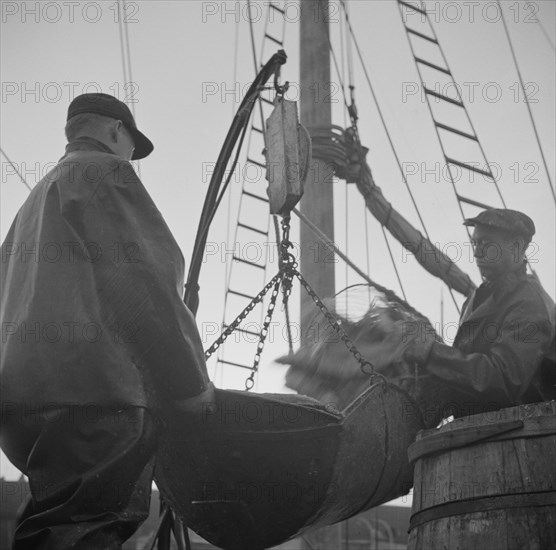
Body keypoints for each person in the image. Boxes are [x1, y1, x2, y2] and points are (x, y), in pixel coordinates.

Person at [0, 93, 214, 549]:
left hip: (22, 406)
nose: (130, 157)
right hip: (95, 396)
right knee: (85, 529)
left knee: (51, 524)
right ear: (116, 130)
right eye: (132, 147)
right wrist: (188, 383)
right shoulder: (105, 173)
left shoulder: (31, 206)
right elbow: (145, 281)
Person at [403, 208, 556, 417]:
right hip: (479, 434)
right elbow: (467, 374)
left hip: (521, 437)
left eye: (486, 243)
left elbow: (504, 380)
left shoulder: (530, 303)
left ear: (517, 247)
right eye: (475, 243)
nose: (476, 252)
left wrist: (432, 353)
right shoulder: (475, 299)